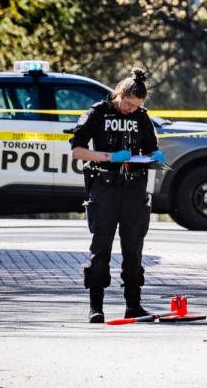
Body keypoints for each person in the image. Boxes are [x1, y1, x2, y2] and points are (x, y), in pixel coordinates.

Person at [70, 68, 166, 323]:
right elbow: (77, 151)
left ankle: (133, 305)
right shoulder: (98, 113)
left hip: (134, 188)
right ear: (119, 94)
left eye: (136, 106)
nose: (130, 110)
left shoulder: (142, 117)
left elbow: (151, 148)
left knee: (133, 248)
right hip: (105, 186)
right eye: (128, 103)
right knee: (101, 247)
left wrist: (155, 158)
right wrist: (109, 157)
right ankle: (96, 307)